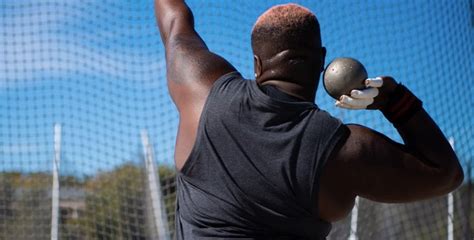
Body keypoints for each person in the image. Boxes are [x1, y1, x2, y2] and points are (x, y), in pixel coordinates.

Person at [154, 1, 464, 239]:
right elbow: (446, 174)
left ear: (257, 64)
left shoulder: (202, 92)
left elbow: (175, 22)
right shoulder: (346, 150)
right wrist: (395, 101)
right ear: (322, 62)